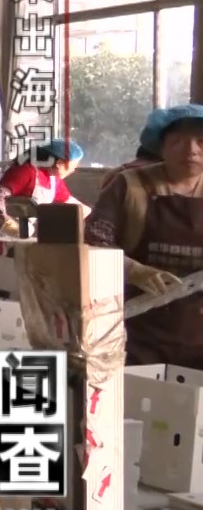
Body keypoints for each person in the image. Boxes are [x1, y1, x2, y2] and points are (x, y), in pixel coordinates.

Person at [87, 105, 203, 365]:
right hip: (137, 324)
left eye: (201, 142)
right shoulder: (129, 185)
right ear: (161, 147)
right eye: (178, 141)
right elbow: (93, 241)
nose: (191, 150)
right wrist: (135, 271)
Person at [0, 138, 83, 211]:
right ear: (59, 163)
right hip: (9, 227)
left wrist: (86, 213)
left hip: (31, 228)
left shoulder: (54, 180)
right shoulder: (25, 171)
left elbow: (74, 205)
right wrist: (8, 224)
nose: (73, 170)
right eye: (73, 166)